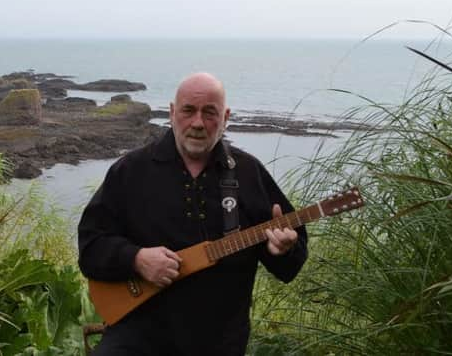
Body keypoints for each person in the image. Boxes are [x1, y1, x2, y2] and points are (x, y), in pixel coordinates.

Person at [77, 73, 307, 355]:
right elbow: (91, 247)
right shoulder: (132, 171)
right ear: (173, 113)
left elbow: (289, 266)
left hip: (219, 340)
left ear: (226, 117)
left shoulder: (248, 174)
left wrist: (283, 250)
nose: (198, 123)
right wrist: (136, 259)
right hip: (137, 333)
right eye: (188, 110)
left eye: (210, 113)